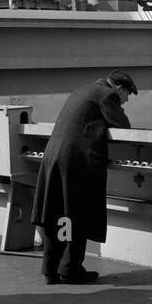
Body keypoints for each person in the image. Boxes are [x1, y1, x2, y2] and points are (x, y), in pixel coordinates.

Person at [32, 70, 137, 284]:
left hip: (54, 156)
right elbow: (123, 125)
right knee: (77, 214)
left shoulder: (82, 90)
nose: (125, 100)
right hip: (76, 162)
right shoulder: (107, 95)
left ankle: (50, 270)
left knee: (58, 214)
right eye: (127, 95)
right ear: (118, 88)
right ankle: (70, 270)